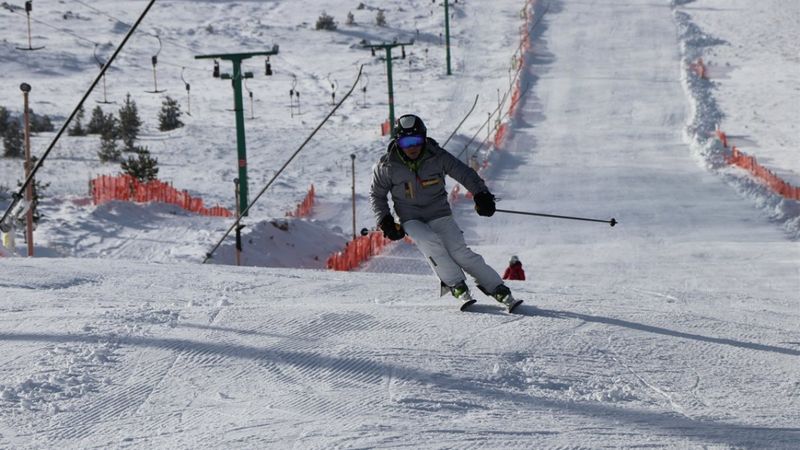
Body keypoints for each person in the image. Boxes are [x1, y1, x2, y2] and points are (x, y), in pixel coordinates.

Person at [369, 114, 521, 311]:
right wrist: (385, 220)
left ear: (424, 138)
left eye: (416, 140)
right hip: (410, 217)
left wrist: (481, 194)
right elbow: (377, 195)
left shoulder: (436, 156)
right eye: (406, 142)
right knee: (429, 241)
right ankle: (455, 284)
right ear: (398, 142)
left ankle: (497, 288)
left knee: (460, 252)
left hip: (438, 213)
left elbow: (463, 173)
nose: (412, 147)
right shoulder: (387, 166)